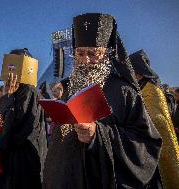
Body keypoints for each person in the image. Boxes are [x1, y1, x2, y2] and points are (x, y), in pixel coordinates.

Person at [43, 13, 162, 189]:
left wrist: (97, 135)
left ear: (106, 54)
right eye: (80, 53)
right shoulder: (68, 86)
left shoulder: (124, 92)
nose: (85, 60)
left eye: (93, 53)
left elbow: (147, 144)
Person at [130, 49, 179, 188]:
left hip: (156, 143)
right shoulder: (142, 86)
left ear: (138, 71)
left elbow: (157, 119)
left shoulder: (150, 88)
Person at [0, 48, 44, 189]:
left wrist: (8, 98)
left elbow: (18, 124)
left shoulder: (28, 91)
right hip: (13, 155)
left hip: (23, 157)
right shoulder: (14, 91)